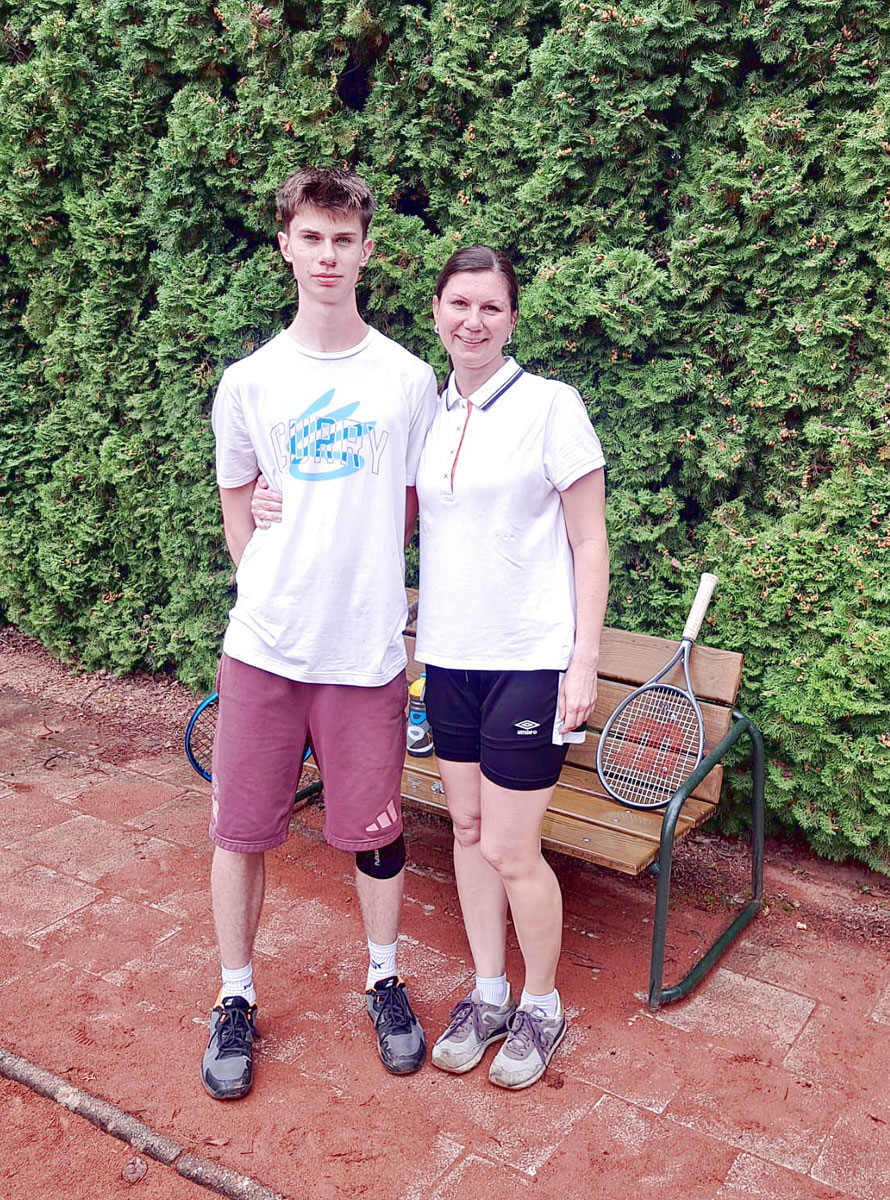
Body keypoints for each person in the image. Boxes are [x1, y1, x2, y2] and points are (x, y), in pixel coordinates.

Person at [253, 244, 609, 1091]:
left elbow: (589, 539)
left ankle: (542, 1005)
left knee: (514, 847)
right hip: (447, 660)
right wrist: (271, 498)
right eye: (459, 304)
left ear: (511, 318)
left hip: (529, 662)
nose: (473, 322)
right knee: (471, 835)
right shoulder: (429, 413)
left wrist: (583, 659)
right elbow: (362, 491)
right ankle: (489, 995)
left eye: (491, 307)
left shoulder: (552, 405)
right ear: (438, 310)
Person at [202, 166, 437, 1101]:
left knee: (377, 836)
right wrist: (267, 570)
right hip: (265, 649)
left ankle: (384, 980)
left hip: (365, 654)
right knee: (240, 832)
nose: (328, 255)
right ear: (286, 247)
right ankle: (234, 997)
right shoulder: (249, 381)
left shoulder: (408, 380)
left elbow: (415, 505)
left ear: (367, 250)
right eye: (312, 238)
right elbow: (237, 500)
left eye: (344, 240)